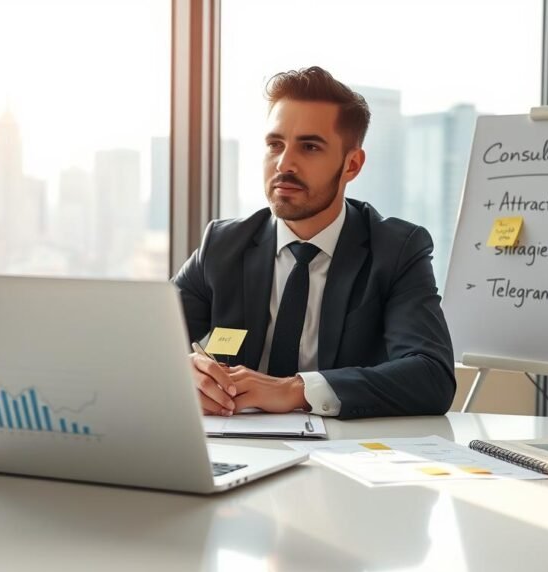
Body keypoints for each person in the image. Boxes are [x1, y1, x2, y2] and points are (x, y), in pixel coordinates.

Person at [173, 66, 455, 419]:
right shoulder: (222, 245)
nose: (284, 163)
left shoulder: (396, 250)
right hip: (234, 445)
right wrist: (184, 372)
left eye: (309, 147)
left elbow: (432, 376)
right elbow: (145, 347)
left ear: (351, 165)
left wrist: (296, 390)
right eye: (275, 144)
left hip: (345, 454)